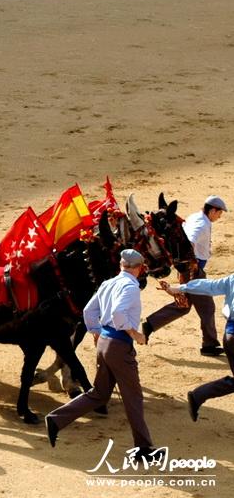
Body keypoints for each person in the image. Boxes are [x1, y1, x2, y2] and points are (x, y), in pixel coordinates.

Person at [46, 249, 159, 459]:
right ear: (140, 268)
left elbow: (89, 311)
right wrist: (136, 334)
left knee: (99, 394)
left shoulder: (108, 283)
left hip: (105, 343)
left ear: (121, 266)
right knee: (133, 397)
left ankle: (56, 418)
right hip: (119, 346)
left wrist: (98, 332)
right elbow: (118, 313)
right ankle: (143, 449)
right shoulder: (130, 287)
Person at [143, 196, 227, 356]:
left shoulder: (197, 217)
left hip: (189, 270)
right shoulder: (201, 224)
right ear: (212, 210)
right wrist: (190, 259)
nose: (219, 216)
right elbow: (190, 240)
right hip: (193, 270)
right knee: (207, 308)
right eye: (219, 213)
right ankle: (209, 345)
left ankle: (150, 324)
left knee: (184, 306)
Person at [160, 274, 234, 421]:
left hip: (230, 336)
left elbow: (208, 286)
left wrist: (178, 288)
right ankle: (199, 395)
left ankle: (199, 395)